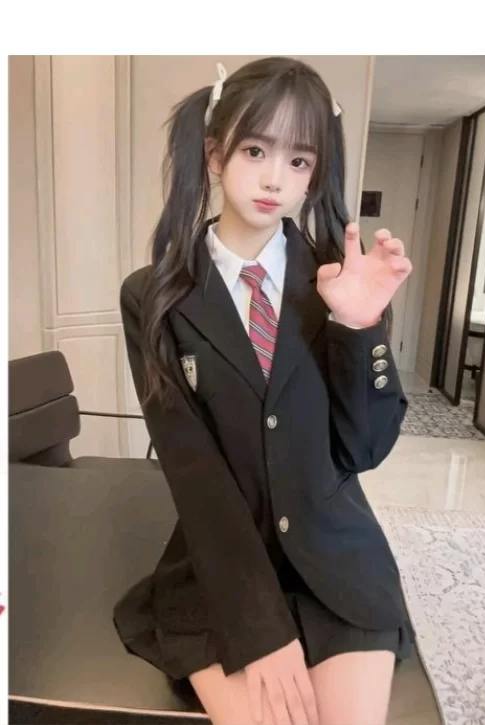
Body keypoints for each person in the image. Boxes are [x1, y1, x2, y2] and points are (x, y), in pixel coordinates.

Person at [114, 56, 415, 725]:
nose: (277, 178)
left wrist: (358, 327)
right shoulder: (152, 297)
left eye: (299, 160)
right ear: (215, 155)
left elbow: (364, 450)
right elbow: (193, 471)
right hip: (222, 566)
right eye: (256, 150)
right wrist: (258, 627)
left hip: (336, 560)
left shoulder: (339, 282)